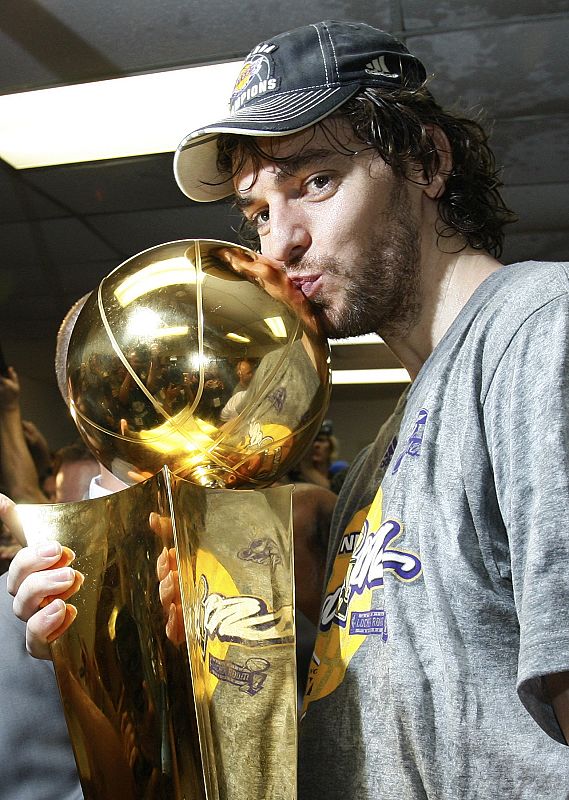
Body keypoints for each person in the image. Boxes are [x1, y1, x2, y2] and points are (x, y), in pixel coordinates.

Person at [6, 18, 569, 799]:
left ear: (427, 162)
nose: (279, 246)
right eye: (258, 212)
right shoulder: (383, 458)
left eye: (315, 182)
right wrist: (126, 636)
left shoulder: (541, 334)